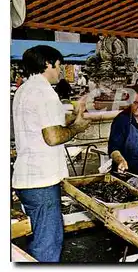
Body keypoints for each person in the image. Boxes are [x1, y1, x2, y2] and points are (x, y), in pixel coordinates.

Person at [12, 45, 91, 262]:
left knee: (38, 239)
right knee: (48, 244)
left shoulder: (25, 89)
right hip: (41, 181)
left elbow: (46, 125)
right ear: (48, 63)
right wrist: (77, 128)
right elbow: (53, 136)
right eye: (59, 65)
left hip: (28, 179)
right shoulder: (43, 92)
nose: (60, 70)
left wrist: (74, 117)